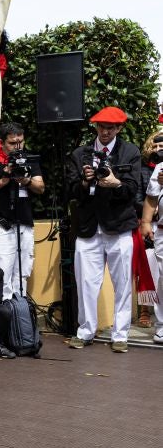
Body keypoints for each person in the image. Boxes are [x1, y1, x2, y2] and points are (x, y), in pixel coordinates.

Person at [64, 107, 141, 353]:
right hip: (88, 227)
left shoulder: (130, 152)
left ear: (119, 128)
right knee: (85, 282)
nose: (105, 131)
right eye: (101, 127)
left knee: (122, 284)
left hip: (119, 226)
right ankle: (85, 331)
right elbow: (70, 191)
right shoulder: (80, 153)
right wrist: (86, 182)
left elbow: (132, 190)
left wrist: (115, 182)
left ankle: (120, 335)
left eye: (110, 127)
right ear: (95, 127)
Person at [0, 122, 45, 300]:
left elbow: (40, 187)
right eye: (13, 143)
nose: (18, 146)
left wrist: (26, 181)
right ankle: (5, 317)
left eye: (21, 142)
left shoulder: (28, 158)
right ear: (1, 142)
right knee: (3, 274)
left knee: (22, 273)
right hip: (2, 224)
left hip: (25, 223)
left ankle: (20, 316)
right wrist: (3, 180)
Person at [135, 130, 163, 327]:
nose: (159, 150)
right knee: (153, 271)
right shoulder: (148, 169)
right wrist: (147, 218)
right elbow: (143, 197)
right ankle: (149, 315)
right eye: (155, 146)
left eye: (162, 146)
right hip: (153, 228)